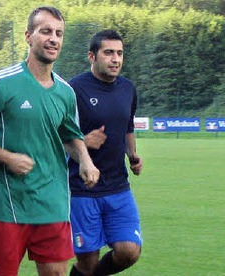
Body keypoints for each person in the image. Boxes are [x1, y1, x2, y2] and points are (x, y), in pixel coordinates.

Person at [0, 6, 100, 276]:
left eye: (59, 33)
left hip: (52, 202)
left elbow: (71, 134)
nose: (53, 38)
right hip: (6, 206)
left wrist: (86, 161)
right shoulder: (2, 83)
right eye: (46, 31)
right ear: (28, 36)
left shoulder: (65, 92)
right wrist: (7, 157)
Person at [67, 29, 144, 276]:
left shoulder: (128, 89)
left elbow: (127, 125)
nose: (116, 59)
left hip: (119, 187)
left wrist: (132, 155)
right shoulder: (73, 90)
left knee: (129, 251)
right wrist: (84, 142)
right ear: (92, 56)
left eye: (120, 53)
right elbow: (59, 135)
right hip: (82, 189)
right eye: (109, 52)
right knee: (87, 262)